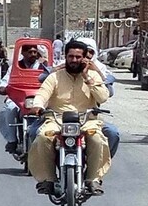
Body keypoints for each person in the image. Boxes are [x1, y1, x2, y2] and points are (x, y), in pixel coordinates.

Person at [28, 40, 111, 196]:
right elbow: (42, 94)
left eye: (78, 57)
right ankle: (48, 180)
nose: (74, 60)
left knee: (98, 139)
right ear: (65, 56)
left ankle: (93, 179)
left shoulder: (93, 76)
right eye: (71, 56)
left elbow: (103, 97)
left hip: (87, 120)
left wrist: (87, 77)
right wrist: (38, 105)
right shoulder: (55, 77)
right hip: (57, 120)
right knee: (42, 137)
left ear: (85, 58)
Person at [0, 43, 47, 153]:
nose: (33, 54)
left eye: (35, 52)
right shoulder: (15, 67)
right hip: (18, 98)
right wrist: (2, 88)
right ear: (23, 53)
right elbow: (5, 81)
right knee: (9, 109)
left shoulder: (43, 67)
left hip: (39, 98)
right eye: (30, 52)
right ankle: (12, 140)